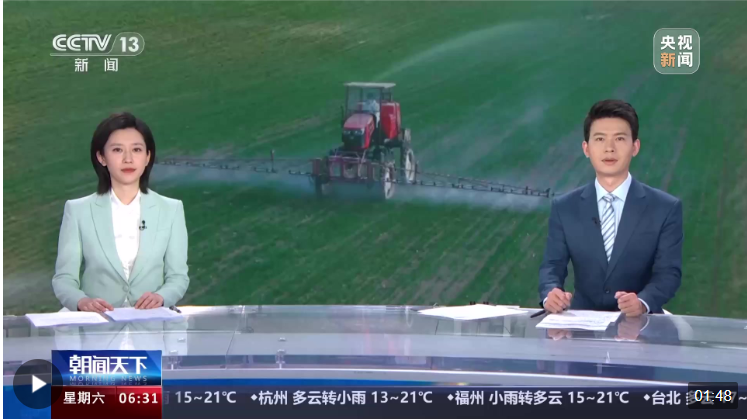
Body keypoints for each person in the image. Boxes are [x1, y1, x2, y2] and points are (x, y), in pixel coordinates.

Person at [539, 99, 683, 316]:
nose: (609, 148)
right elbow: (551, 266)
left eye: (619, 139)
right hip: (581, 324)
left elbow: (668, 273)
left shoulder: (665, 208)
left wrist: (643, 302)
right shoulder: (565, 207)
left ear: (635, 147)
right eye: (599, 139)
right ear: (586, 148)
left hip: (641, 325)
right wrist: (550, 294)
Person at [52, 112, 189, 312]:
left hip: (150, 321)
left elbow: (178, 277)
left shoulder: (171, 209)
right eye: (117, 150)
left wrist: (161, 297)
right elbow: (64, 279)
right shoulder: (78, 210)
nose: (128, 159)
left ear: (147, 157)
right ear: (101, 157)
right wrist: (82, 302)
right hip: (95, 322)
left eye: (136, 149)